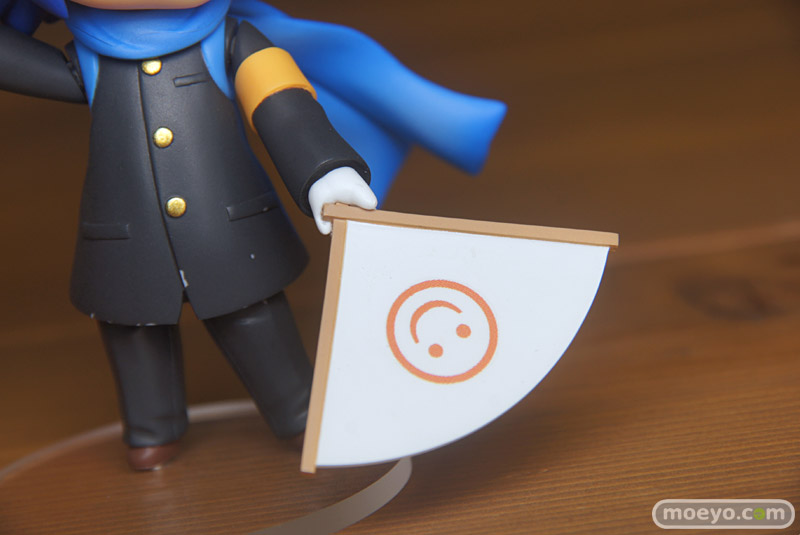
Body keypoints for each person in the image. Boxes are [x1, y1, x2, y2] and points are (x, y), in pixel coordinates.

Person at [0, 0, 506, 470]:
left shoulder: (234, 41)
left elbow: (285, 107)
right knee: (132, 326)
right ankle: (151, 426)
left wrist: (324, 171)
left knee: (252, 316)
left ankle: (301, 413)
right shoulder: (89, 60)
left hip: (225, 228)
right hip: (126, 236)